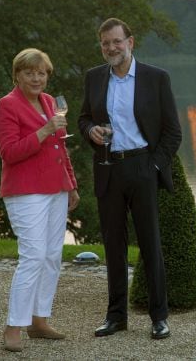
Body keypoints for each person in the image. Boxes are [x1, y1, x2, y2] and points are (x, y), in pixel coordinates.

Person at [78, 18, 181, 340]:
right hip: (108, 168)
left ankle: (159, 317)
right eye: (105, 43)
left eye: (116, 41)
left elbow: (173, 132)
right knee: (113, 246)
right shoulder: (94, 78)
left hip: (142, 168)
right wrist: (89, 130)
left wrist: (152, 167)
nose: (111, 47)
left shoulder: (155, 78)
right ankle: (116, 317)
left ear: (130, 42)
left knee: (150, 245)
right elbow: (83, 118)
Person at [0, 48, 80, 352]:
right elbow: (10, 153)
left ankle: (39, 320)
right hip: (26, 192)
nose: (36, 77)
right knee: (33, 256)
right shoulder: (7, 106)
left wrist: (71, 184)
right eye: (29, 72)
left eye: (41, 72)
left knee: (52, 255)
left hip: (56, 189)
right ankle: (12, 327)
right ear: (17, 75)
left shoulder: (49, 102)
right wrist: (44, 130)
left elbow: (61, 148)